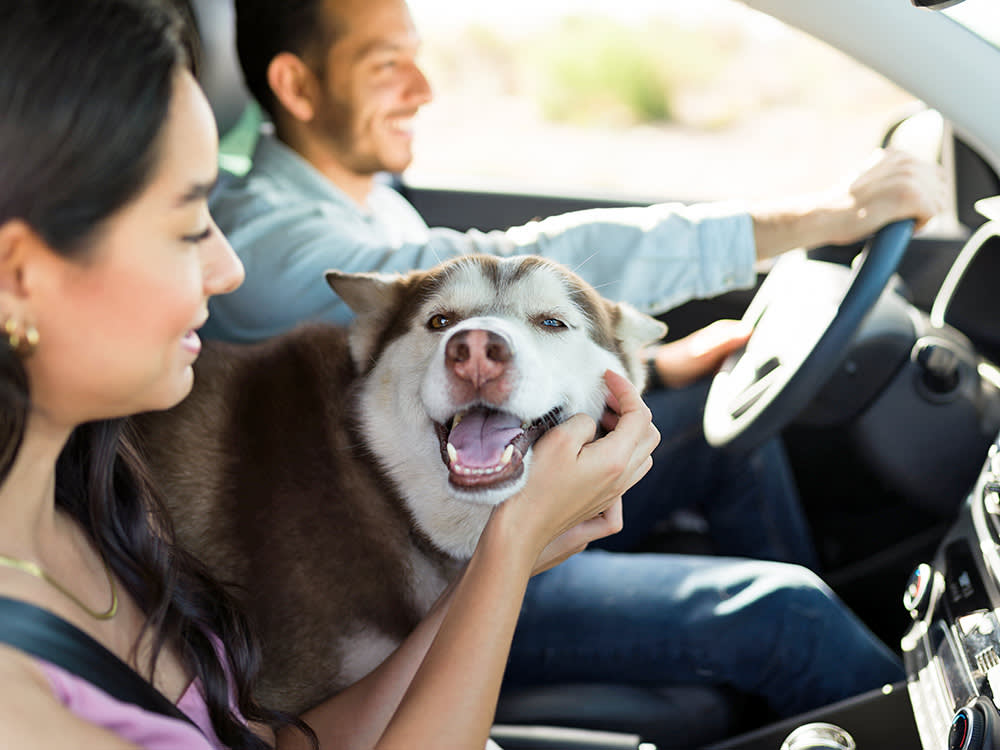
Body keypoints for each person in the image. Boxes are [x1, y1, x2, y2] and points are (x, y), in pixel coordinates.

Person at [200, 0, 934, 723]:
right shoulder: (266, 245)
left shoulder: (364, 199)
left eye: (417, 60)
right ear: (297, 86)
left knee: (724, 437)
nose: (422, 89)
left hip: (478, 486)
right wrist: (823, 217)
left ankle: (792, 708)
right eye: (387, 65)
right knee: (787, 614)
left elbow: (489, 341)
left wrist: (657, 368)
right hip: (426, 565)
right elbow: (531, 261)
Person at [0, 1, 660, 748]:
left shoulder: (104, 506)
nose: (228, 268)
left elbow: (280, 743)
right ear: (19, 275)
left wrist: (513, 550)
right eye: (188, 226)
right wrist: (510, 553)